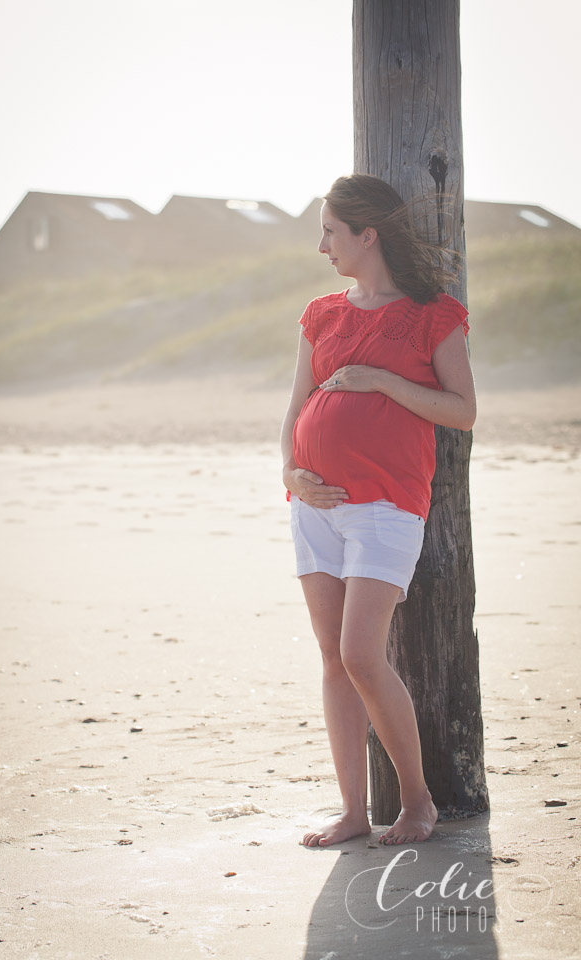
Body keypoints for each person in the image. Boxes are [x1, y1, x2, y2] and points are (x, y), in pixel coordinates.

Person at [280, 174, 476, 848]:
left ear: (369, 234)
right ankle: (353, 812)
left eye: (332, 231)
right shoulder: (321, 313)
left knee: (361, 655)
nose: (322, 245)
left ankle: (417, 802)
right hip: (315, 507)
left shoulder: (432, 314)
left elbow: (463, 410)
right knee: (333, 662)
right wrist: (291, 473)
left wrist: (381, 381)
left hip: (386, 505)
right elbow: (297, 405)